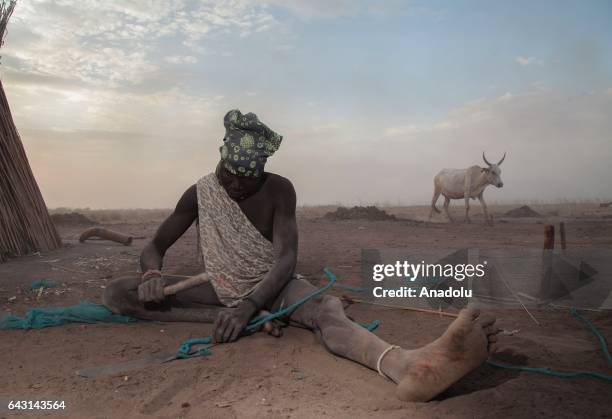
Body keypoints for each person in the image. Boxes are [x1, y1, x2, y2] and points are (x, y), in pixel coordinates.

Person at [103, 109, 499, 402]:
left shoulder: (280, 191)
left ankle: (407, 366)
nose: (237, 184)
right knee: (119, 293)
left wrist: (251, 305)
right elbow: (155, 246)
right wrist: (151, 274)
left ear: (263, 169)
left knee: (326, 311)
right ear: (220, 161)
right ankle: (250, 321)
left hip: (274, 287)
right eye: (229, 174)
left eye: (247, 177)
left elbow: (285, 261)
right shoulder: (200, 193)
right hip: (218, 289)